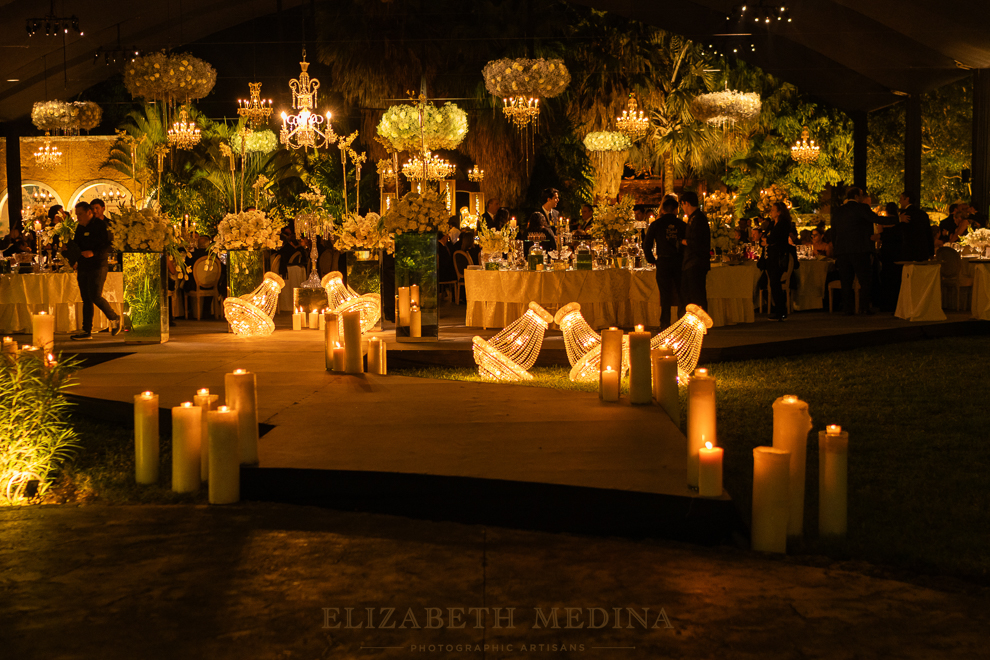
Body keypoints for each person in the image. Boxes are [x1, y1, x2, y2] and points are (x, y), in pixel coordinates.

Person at [831, 187, 888, 315]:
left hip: (842, 250)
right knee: (865, 279)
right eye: (861, 195)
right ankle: (863, 307)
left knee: (846, 281)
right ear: (857, 197)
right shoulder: (861, 208)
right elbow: (876, 219)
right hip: (859, 249)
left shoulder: (839, 211)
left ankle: (848, 308)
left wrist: (836, 248)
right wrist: (897, 219)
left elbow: (834, 231)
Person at [71, 201, 122, 339]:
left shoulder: (101, 226)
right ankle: (86, 330)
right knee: (86, 299)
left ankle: (114, 317)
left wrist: (94, 252)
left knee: (95, 296)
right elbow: (77, 244)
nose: (78, 217)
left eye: (80, 214)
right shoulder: (80, 228)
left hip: (98, 265)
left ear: (89, 212)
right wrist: (72, 255)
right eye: (77, 215)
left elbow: (110, 245)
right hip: (83, 265)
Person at [643, 197, 686, 329]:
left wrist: (651, 260)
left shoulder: (656, 224)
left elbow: (646, 244)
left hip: (663, 261)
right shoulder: (682, 225)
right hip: (679, 261)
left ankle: (665, 323)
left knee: (665, 293)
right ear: (676, 209)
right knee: (681, 292)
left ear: (663, 209)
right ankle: (682, 321)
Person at [679, 191, 711, 311]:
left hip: (696, 263)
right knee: (690, 296)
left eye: (682, 205)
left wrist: (683, 241)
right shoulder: (694, 218)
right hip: (691, 262)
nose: (682, 208)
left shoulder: (698, 219)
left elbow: (696, 242)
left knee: (697, 297)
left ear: (686, 203)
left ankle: (701, 325)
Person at [764, 201, 794, 320]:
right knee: (773, 282)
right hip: (771, 255)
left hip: (779, 254)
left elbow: (775, 238)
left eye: (773, 210)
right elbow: (766, 236)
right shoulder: (772, 224)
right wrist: (767, 240)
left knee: (775, 282)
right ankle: (779, 310)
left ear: (779, 212)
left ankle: (781, 311)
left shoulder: (783, 224)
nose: (771, 212)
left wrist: (769, 241)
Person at [898, 191, 934, 262]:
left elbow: (901, 233)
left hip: (908, 251)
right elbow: (929, 234)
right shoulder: (923, 214)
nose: (899, 201)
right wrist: (931, 252)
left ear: (907, 199)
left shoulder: (904, 214)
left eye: (901, 198)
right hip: (923, 251)